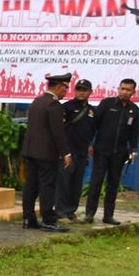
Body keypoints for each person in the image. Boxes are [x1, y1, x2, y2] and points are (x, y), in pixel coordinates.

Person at [19, 72, 71, 232]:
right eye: (65, 88)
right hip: (46, 153)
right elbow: (58, 132)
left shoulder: (37, 101)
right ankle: (48, 219)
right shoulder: (54, 105)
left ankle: (28, 218)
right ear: (59, 87)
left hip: (30, 150)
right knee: (47, 186)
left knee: (31, 185)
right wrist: (65, 153)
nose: (66, 92)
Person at [84, 77, 139, 224]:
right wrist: (90, 143)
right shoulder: (107, 103)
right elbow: (94, 125)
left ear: (133, 92)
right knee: (96, 182)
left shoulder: (133, 109)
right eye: (122, 88)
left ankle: (108, 216)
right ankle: (89, 214)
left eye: (128, 90)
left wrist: (133, 150)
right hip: (101, 151)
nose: (124, 92)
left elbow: (134, 132)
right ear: (118, 89)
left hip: (120, 153)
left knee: (113, 185)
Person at [58, 78, 96, 220]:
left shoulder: (92, 110)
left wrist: (90, 145)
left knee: (76, 182)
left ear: (90, 92)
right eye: (78, 89)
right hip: (68, 151)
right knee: (64, 181)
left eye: (84, 90)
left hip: (82, 152)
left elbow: (92, 131)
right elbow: (59, 130)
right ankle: (61, 210)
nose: (81, 92)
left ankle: (71, 210)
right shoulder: (67, 107)